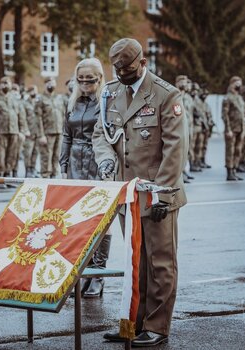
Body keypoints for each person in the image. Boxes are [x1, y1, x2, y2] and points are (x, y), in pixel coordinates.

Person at [92, 38, 188, 347]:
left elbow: (175, 150)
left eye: (128, 69)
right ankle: (133, 324)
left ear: (142, 63)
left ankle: (157, 326)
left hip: (157, 195)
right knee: (135, 262)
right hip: (128, 195)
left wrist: (163, 193)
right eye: (117, 70)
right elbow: (101, 133)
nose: (122, 75)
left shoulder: (164, 94)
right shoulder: (111, 92)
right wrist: (106, 160)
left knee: (159, 262)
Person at [59, 57, 112, 298]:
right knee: (78, 220)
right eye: (80, 80)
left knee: (102, 219)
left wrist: (108, 166)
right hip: (75, 162)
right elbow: (66, 134)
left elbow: (111, 136)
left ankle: (98, 274)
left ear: (100, 78)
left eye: (89, 80)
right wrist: (63, 164)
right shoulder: (73, 102)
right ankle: (81, 273)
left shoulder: (107, 101)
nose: (84, 84)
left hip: (99, 161)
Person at [35, 77, 65, 178]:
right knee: (46, 156)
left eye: (53, 82)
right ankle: (45, 176)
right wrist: (41, 135)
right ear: (45, 85)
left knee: (56, 156)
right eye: (48, 82)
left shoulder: (59, 98)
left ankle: (53, 176)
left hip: (59, 131)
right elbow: (38, 118)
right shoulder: (41, 99)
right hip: (47, 132)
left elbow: (63, 115)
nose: (51, 84)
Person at [222, 76, 245, 181]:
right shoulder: (228, 97)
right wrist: (228, 129)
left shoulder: (239, 97)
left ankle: (235, 170)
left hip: (241, 128)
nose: (239, 85)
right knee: (230, 151)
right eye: (237, 83)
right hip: (232, 128)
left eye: (240, 83)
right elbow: (224, 115)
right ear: (232, 84)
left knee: (238, 150)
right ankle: (229, 172)